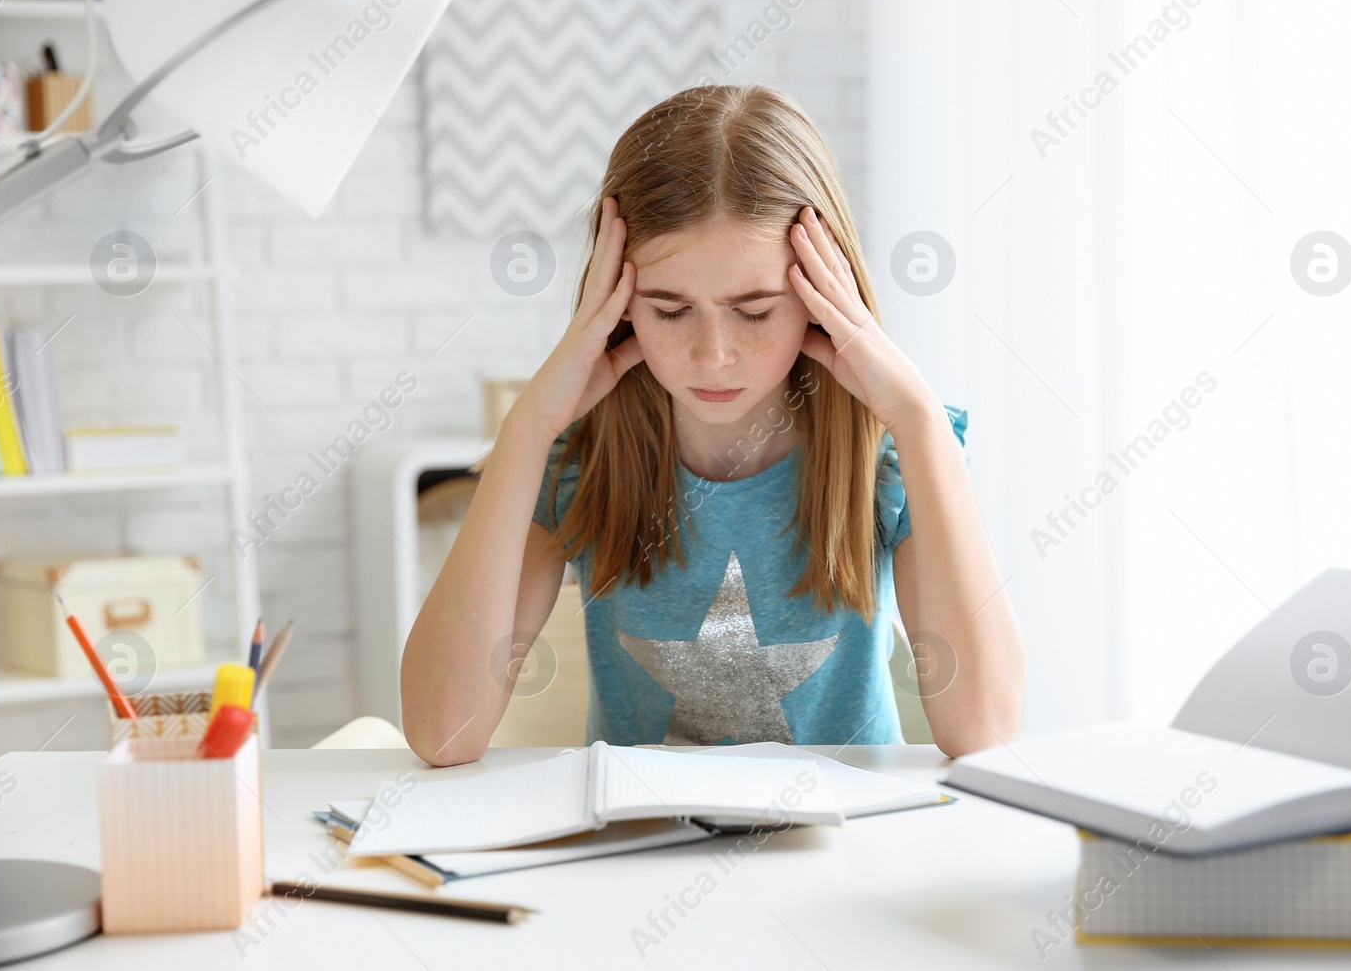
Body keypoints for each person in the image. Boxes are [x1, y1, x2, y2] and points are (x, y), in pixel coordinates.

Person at [401, 83, 1023, 765]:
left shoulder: (892, 456)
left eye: (755, 310)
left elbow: (985, 731)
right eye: (669, 310)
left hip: (850, 856)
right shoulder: (577, 464)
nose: (713, 355)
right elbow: (444, 732)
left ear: (823, 299)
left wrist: (918, 419)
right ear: (617, 303)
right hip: (644, 854)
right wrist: (526, 431)